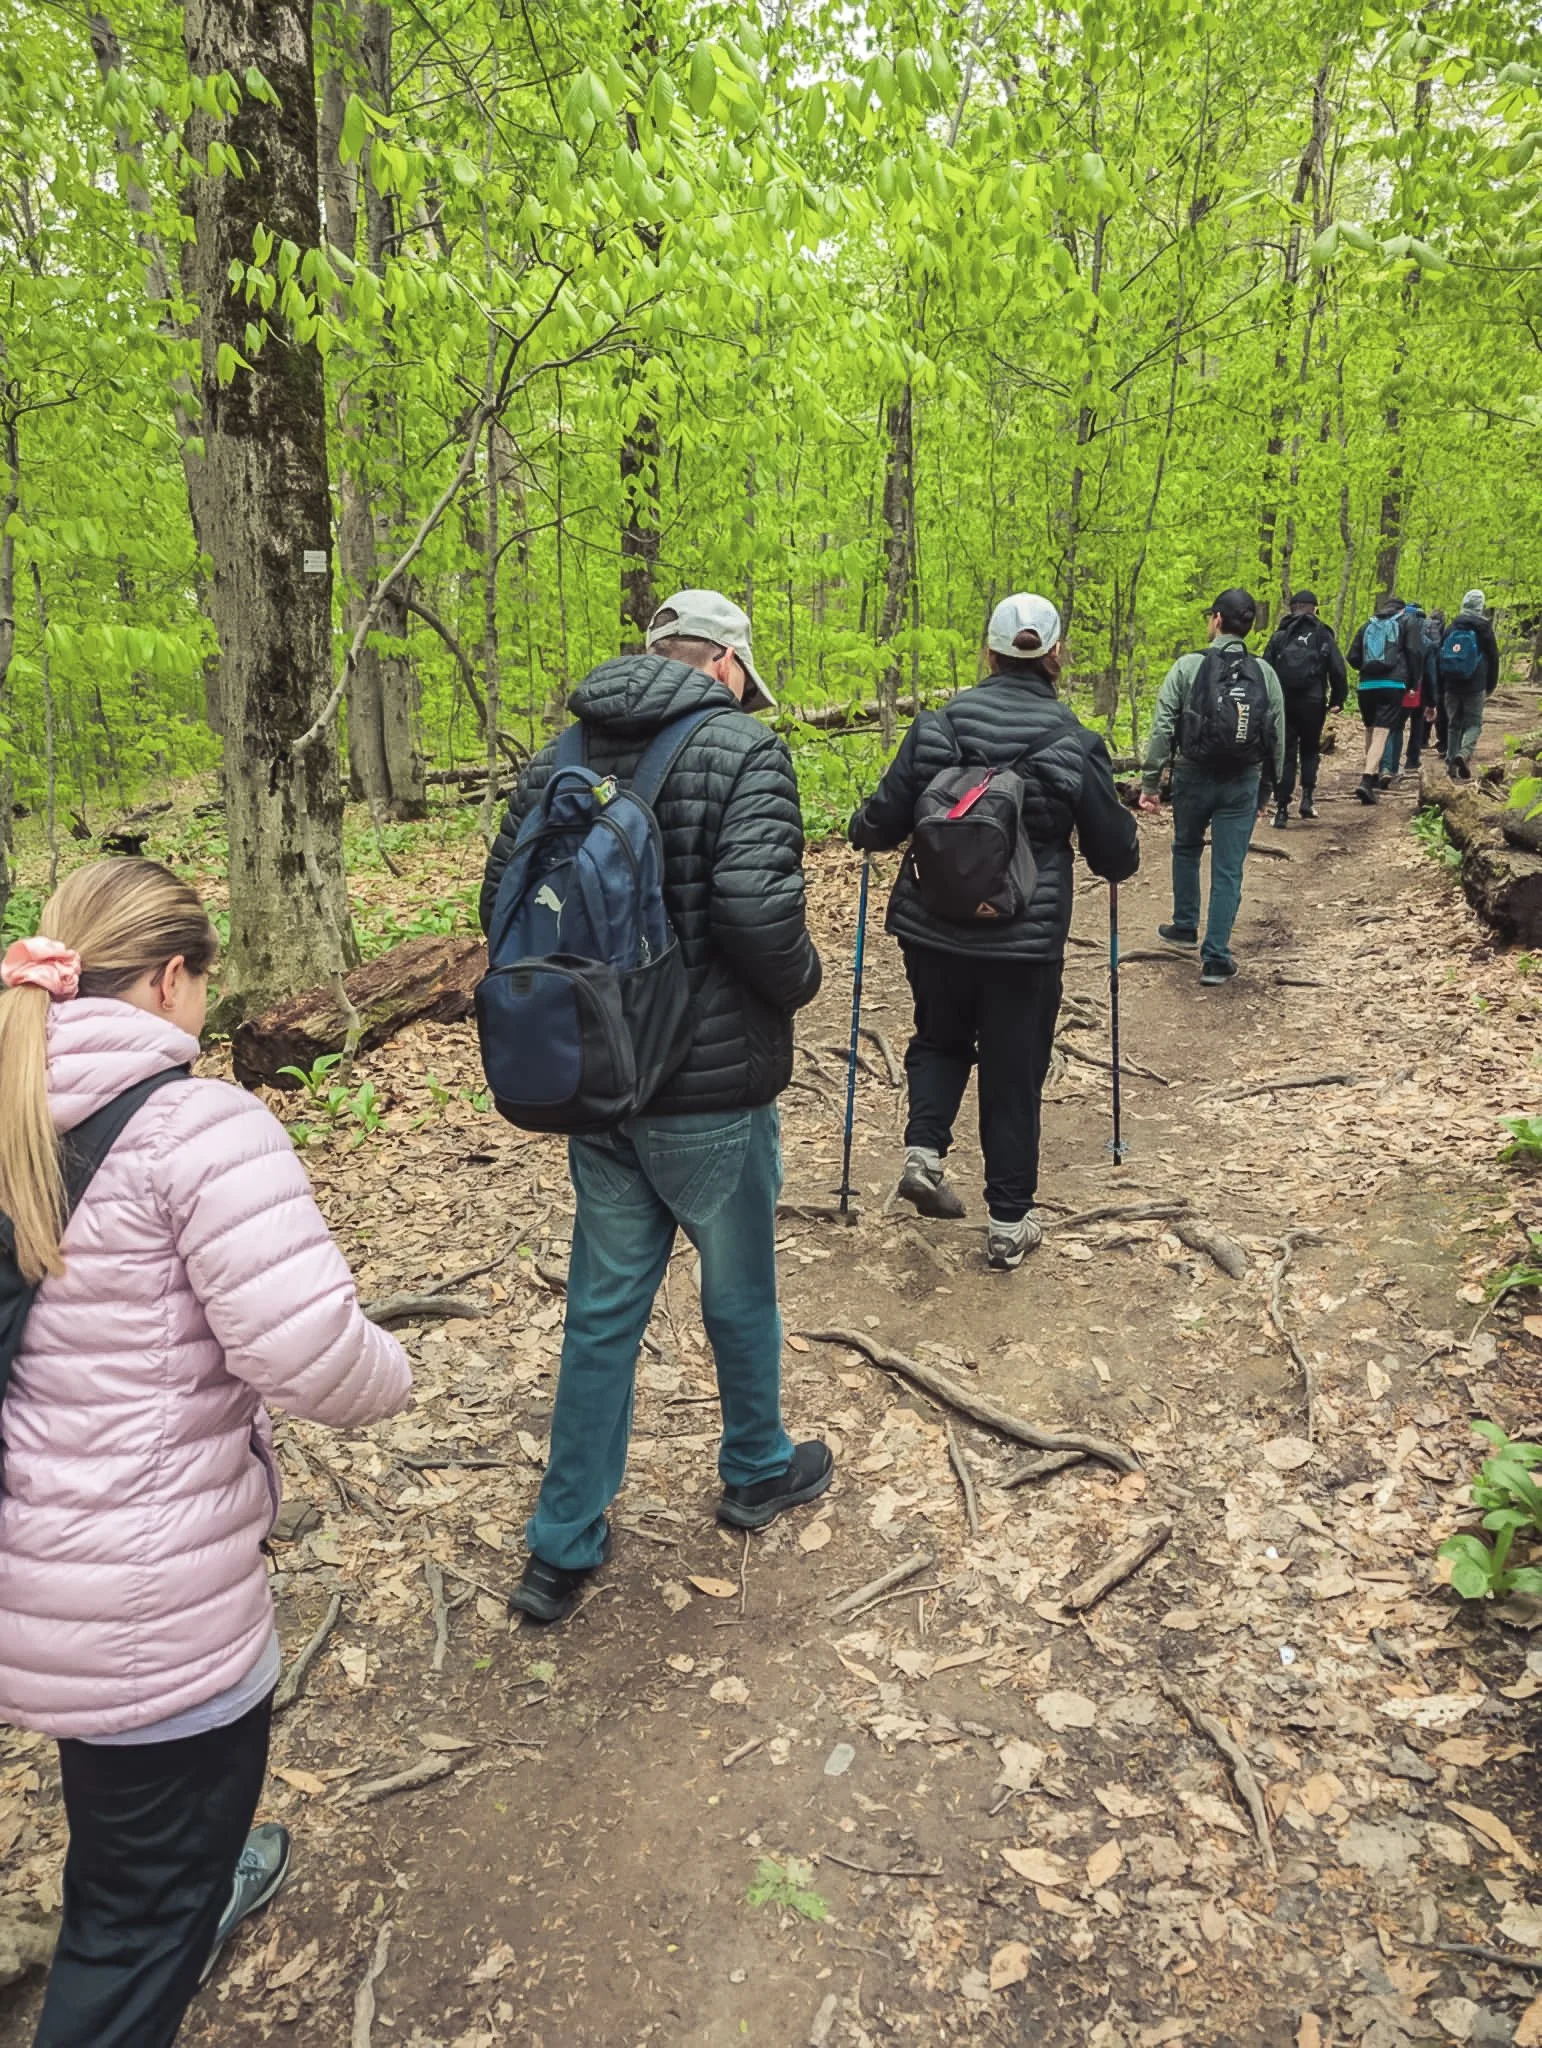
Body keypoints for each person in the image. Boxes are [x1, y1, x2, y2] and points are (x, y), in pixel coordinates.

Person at [0, 859, 411, 2048]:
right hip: (154, 1602)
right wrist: (399, 1371)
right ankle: (175, 1902)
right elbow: (316, 1356)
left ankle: (186, 1877)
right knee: (136, 1929)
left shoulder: (18, 1094)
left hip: (40, 1568)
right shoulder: (198, 1124)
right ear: (173, 977)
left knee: (126, 1816)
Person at [481, 590, 826, 1626]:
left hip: (594, 1079)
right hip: (710, 1086)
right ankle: (756, 1465)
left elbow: (498, 901)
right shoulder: (742, 750)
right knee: (739, 1288)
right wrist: (800, 981)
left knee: (601, 1313)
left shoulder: (560, 752)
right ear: (725, 663)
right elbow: (760, 913)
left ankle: (562, 1544)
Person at [847, 592, 1138, 1270]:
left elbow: (880, 824)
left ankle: (924, 1153)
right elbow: (1116, 855)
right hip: (1023, 941)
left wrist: (864, 823)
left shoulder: (936, 728)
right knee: (1013, 1069)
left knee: (939, 1038)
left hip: (933, 927)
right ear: (1056, 654)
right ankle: (1008, 1223)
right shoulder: (1074, 741)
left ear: (989, 651)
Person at [1138, 588, 1285, 987]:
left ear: (1217, 619)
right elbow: (1277, 736)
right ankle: (1216, 956)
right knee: (1228, 868)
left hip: (1193, 775)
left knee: (1186, 847)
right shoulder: (1265, 673)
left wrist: (1151, 781)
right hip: (1242, 780)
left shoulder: (1187, 667)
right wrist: (1267, 790)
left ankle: (1185, 925)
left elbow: (1162, 727)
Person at [1261, 588, 1348, 827]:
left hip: (1284, 700)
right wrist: (1338, 699)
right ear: (1315, 608)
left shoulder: (1280, 635)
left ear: (1293, 607)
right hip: (1313, 701)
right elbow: (1338, 669)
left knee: (1287, 753)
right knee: (1310, 750)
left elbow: (1264, 669)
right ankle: (1307, 799)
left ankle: (1281, 809)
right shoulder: (1322, 634)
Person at [1346, 593, 1423, 803]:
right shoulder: (1408, 622)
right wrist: (1413, 682)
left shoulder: (1367, 625)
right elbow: (1413, 652)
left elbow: (1352, 656)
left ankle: (1369, 776)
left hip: (1366, 685)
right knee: (1381, 733)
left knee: (1370, 730)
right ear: (1401, 610)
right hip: (1392, 684)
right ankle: (1366, 778)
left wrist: (1366, 669)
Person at [1437, 589, 1502, 780]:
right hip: (1475, 685)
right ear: (1480, 606)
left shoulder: (1452, 627)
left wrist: (1441, 684)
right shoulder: (1484, 629)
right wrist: (1490, 685)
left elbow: (1440, 655)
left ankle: (1450, 766)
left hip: (1451, 685)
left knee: (1453, 724)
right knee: (1473, 723)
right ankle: (1464, 754)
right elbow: (1493, 658)